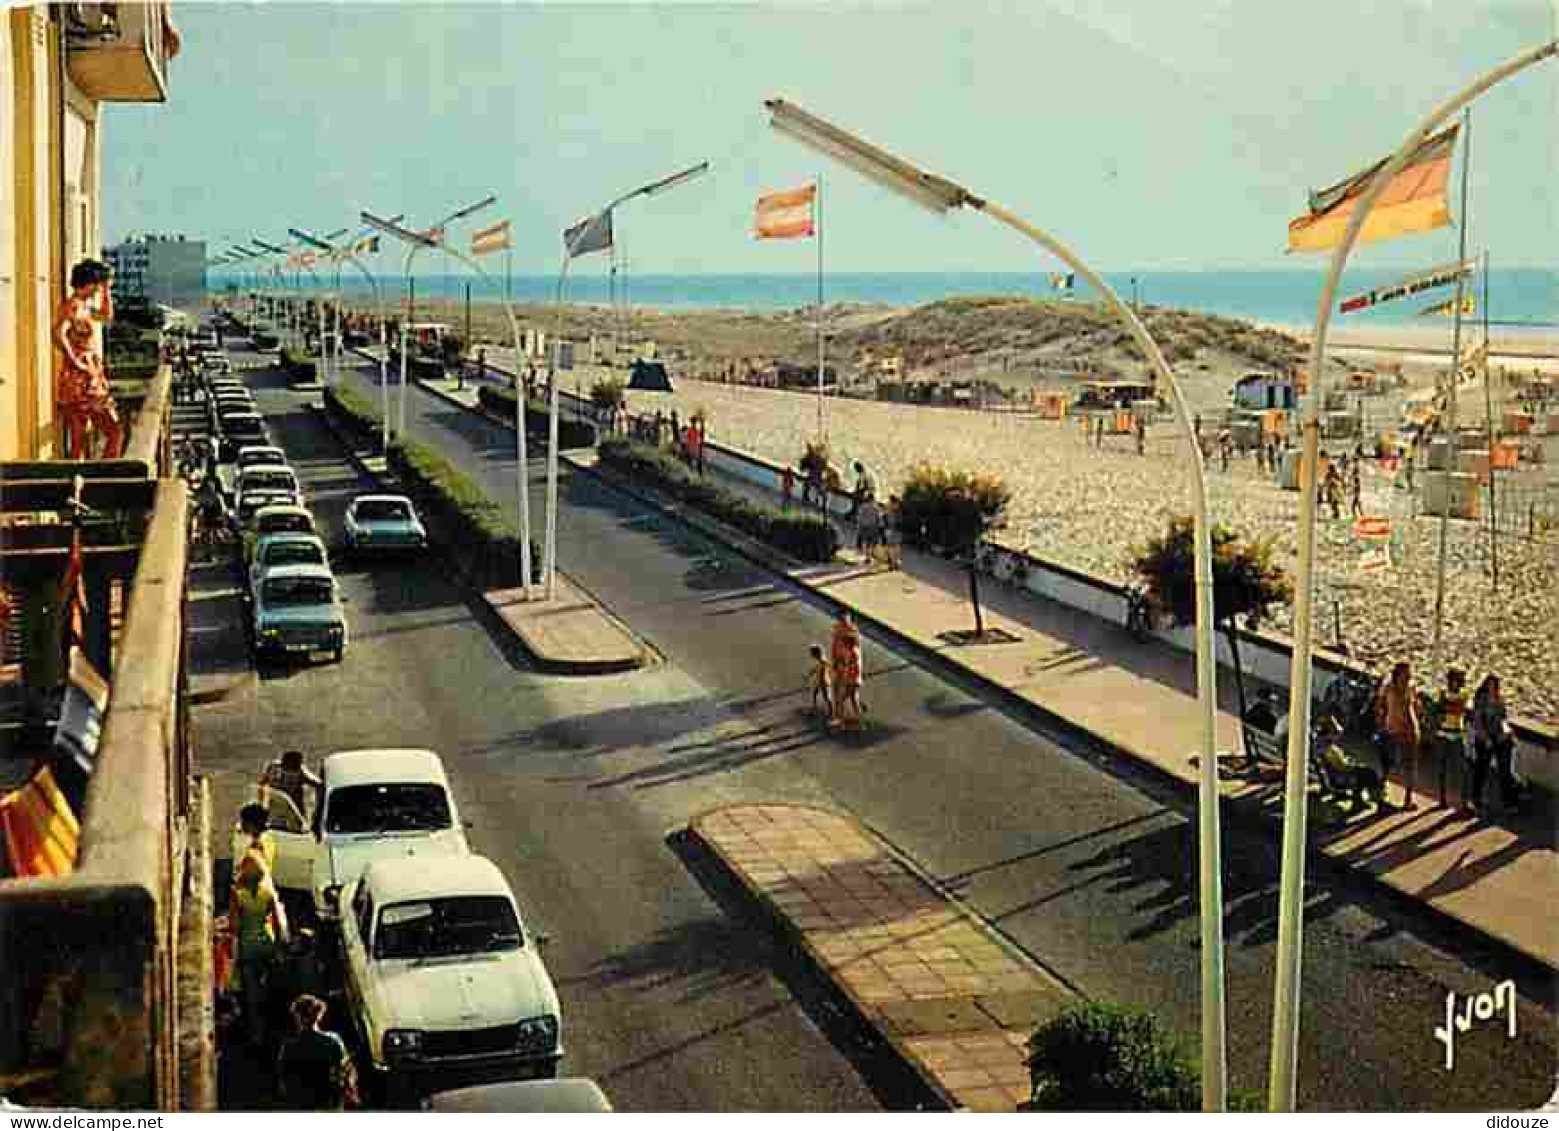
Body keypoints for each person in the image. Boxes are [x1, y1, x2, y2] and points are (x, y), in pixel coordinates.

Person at [53, 259, 123, 460]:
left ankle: (81, 481)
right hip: (83, 378)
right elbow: (58, 332)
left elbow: (107, 315)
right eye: (99, 284)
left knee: (79, 439)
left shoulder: (82, 306)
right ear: (91, 282)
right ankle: (107, 476)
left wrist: (107, 292)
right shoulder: (74, 306)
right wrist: (75, 360)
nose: (99, 289)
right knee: (113, 429)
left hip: (83, 377)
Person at [230, 853, 288, 1048]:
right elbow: (279, 923)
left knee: (251, 991)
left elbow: (235, 925)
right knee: (269, 985)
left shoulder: (238, 895)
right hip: (267, 941)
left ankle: (256, 1034)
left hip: (248, 946)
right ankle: (274, 1026)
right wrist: (279, 946)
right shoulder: (267, 894)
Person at [276, 994, 356, 1111]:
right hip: (329, 1100)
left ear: (297, 1016)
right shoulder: (332, 1040)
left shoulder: (289, 1046)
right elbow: (345, 1072)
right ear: (319, 1015)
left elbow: (284, 1082)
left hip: (302, 1102)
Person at [1466, 674, 1519, 816]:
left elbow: (1503, 718)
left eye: (1494, 685)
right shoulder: (1480, 700)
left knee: (1505, 771)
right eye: (1490, 685)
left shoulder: (1499, 700)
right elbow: (1477, 721)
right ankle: (1476, 798)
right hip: (1485, 738)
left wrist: (1506, 732)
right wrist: (1485, 738)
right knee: (1481, 769)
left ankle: (1509, 802)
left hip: (1499, 737)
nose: (1492, 688)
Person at [1374, 661, 1421, 809]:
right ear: (1398, 674)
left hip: (1409, 730)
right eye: (1406, 674)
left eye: (1409, 674)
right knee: (1388, 764)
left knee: (1410, 765)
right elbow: (1379, 707)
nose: (1408, 676)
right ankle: (1381, 797)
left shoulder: (1411, 687)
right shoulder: (1388, 687)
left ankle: (1408, 799)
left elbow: (1415, 707)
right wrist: (1381, 724)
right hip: (1392, 730)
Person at [1433, 668, 1469, 808]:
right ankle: (1443, 798)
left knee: (1460, 769)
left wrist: (1447, 706)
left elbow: (1456, 709)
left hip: (1456, 733)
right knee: (1442, 768)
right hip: (1445, 733)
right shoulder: (1445, 693)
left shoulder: (1461, 694)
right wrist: (1449, 707)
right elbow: (1449, 709)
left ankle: (1462, 800)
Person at [260, 750, 322, 817]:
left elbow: (318, 784)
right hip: (279, 808)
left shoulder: (300, 772)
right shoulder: (274, 767)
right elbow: (262, 783)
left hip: (293, 810)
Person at [829, 612, 865, 728]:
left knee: (841, 699)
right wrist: (835, 660)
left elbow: (852, 667)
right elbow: (834, 645)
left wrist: (843, 670)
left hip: (849, 676)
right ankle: (860, 721)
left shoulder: (853, 633)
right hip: (846, 671)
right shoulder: (837, 628)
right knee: (853, 699)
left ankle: (840, 720)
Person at [807, 645, 833, 719]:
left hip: (824, 682)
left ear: (817, 653)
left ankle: (831, 712)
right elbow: (817, 667)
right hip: (819, 681)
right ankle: (814, 707)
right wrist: (811, 673)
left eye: (812, 653)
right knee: (814, 693)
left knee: (827, 698)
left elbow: (825, 667)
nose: (811, 655)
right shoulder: (820, 660)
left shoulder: (823, 661)